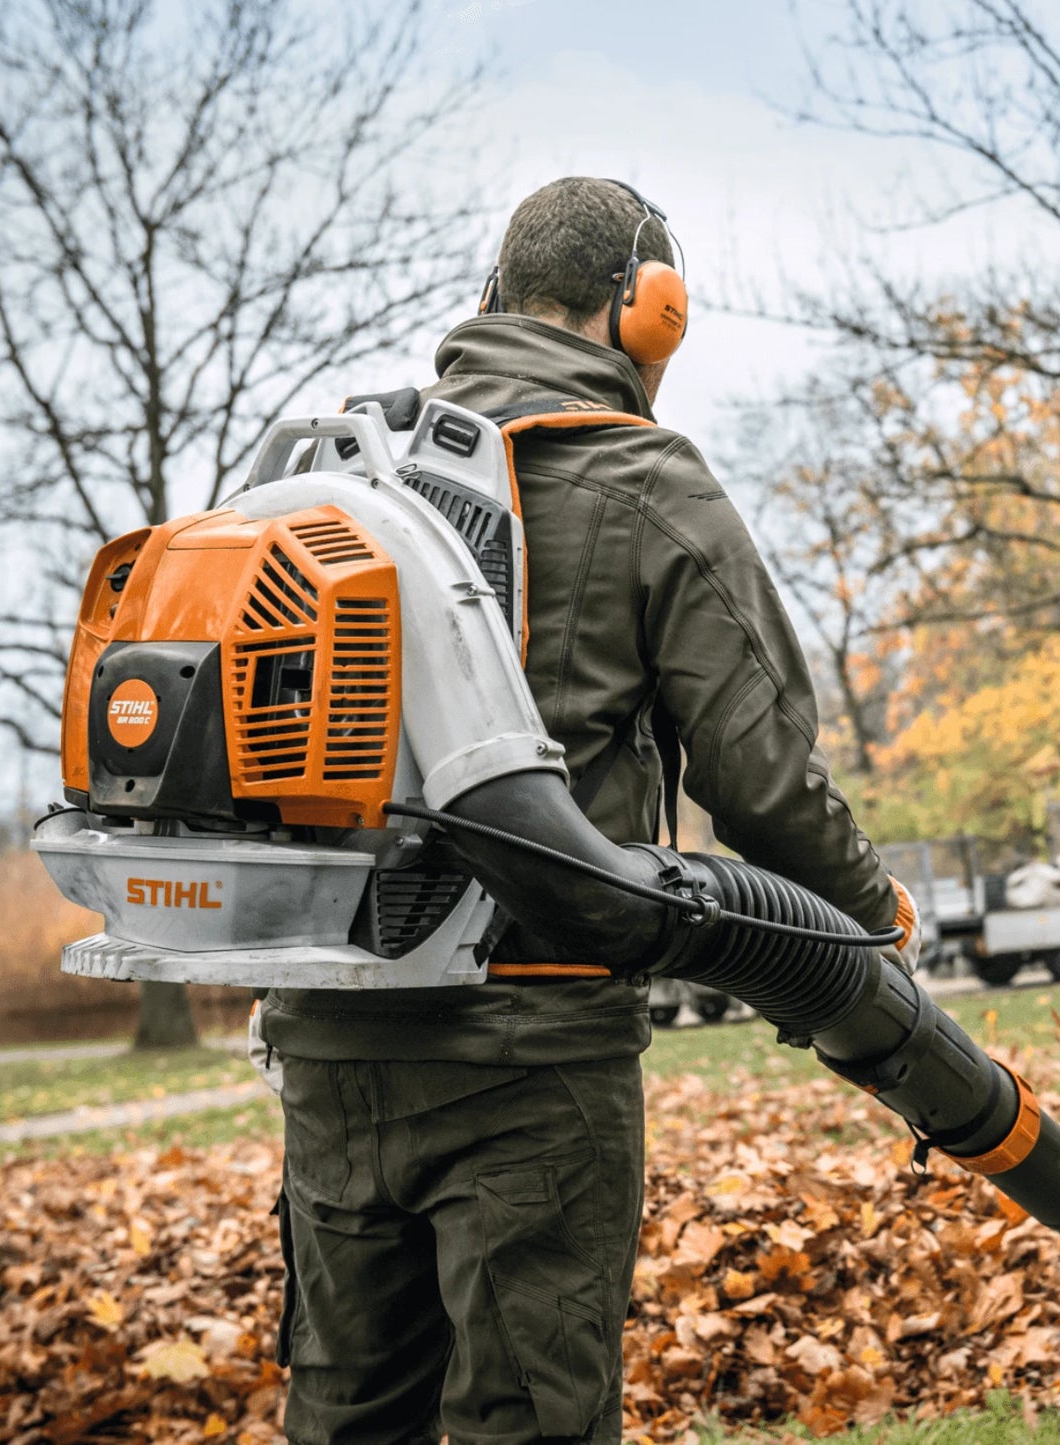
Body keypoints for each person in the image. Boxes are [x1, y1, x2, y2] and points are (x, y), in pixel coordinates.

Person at [259, 176, 915, 1445]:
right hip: (534, 1048)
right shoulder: (641, 476)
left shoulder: (352, 472)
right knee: (529, 1418)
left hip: (333, 1039)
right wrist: (868, 913)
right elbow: (762, 779)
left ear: (493, 299)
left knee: (344, 1417)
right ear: (649, 311)